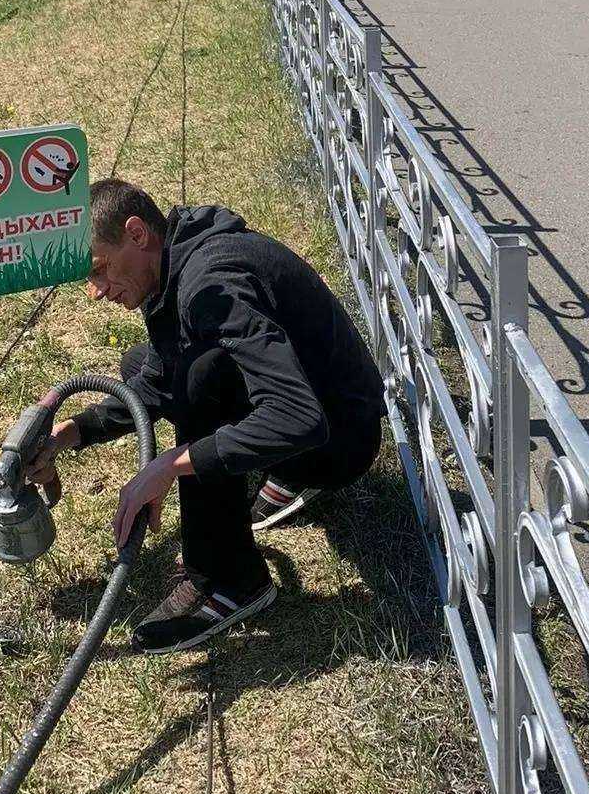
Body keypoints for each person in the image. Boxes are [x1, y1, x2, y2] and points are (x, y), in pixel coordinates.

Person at [26, 179, 384, 654]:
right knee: (146, 363)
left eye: (99, 270)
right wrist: (69, 434)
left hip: (339, 439)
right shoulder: (179, 261)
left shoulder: (211, 282)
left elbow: (298, 416)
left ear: (137, 233)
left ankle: (230, 578)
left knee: (200, 379)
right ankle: (276, 478)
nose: (95, 292)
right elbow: (155, 376)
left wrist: (172, 464)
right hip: (320, 409)